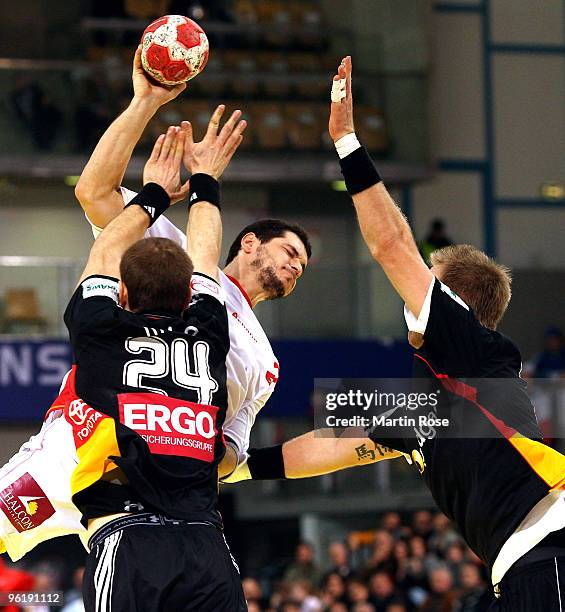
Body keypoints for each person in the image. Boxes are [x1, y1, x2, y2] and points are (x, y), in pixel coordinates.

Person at [227, 56, 565, 610]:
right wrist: (233, 468)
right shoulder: (428, 398)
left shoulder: (472, 351)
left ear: (451, 300)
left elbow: (390, 247)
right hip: (517, 567)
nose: (407, 296)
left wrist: (346, 142)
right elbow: (331, 445)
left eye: (424, 285)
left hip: (549, 548)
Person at [65, 97, 247, 609]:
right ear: (190, 295)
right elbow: (208, 254)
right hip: (206, 544)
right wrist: (206, 179)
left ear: (121, 293)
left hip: (130, 540)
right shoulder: (209, 331)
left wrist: (153, 194)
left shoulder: (103, 330)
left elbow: (104, 252)